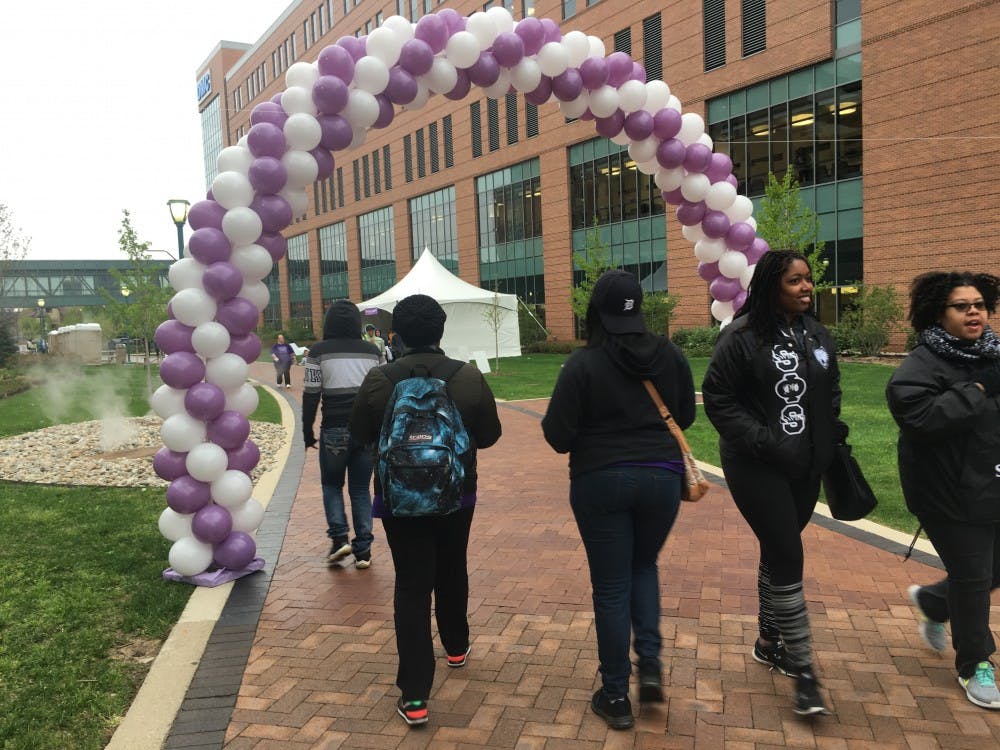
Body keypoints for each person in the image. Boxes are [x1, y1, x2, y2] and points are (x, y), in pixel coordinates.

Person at [541, 269, 695, 730]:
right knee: (643, 566)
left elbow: (558, 437)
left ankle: (615, 694)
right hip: (662, 478)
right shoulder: (670, 355)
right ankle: (649, 666)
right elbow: (685, 415)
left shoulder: (582, 364)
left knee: (611, 587)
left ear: (597, 313)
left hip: (600, 479)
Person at [701, 249, 847, 716]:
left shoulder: (818, 334)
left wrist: (827, 437)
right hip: (755, 464)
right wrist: (766, 442)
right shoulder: (741, 336)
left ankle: (769, 640)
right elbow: (720, 400)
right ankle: (804, 672)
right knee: (787, 552)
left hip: (806, 467)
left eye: (808, 280)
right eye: (795, 282)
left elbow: (832, 391)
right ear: (770, 286)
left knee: (776, 548)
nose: (807, 288)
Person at [350, 294, 501, 728]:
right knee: (453, 567)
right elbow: (489, 435)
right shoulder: (467, 377)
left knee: (412, 586)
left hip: (399, 500)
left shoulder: (380, 379)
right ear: (440, 332)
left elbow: (360, 433)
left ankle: (415, 695)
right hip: (458, 495)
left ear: (396, 334)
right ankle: (456, 645)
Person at [887, 271, 1000, 709]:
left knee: (993, 571)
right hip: (947, 493)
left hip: (991, 480)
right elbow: (921, 418)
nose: (974, 311)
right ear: (939, 313)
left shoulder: (993, 356)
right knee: (973, 578)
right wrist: (977, 389)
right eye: (961, 305)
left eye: (979, 304)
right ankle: (976, 664)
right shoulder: (921, 365)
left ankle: (934, 602)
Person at [302, 301, 382, 568]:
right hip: (366, 430)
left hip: (334, 428)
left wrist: (307, 430)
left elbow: (311, 394)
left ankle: (339, 539)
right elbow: (380, 391)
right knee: (360, 489)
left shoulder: (318, 352)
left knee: (331, 485)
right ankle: (364, 551)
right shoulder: (372, 352)